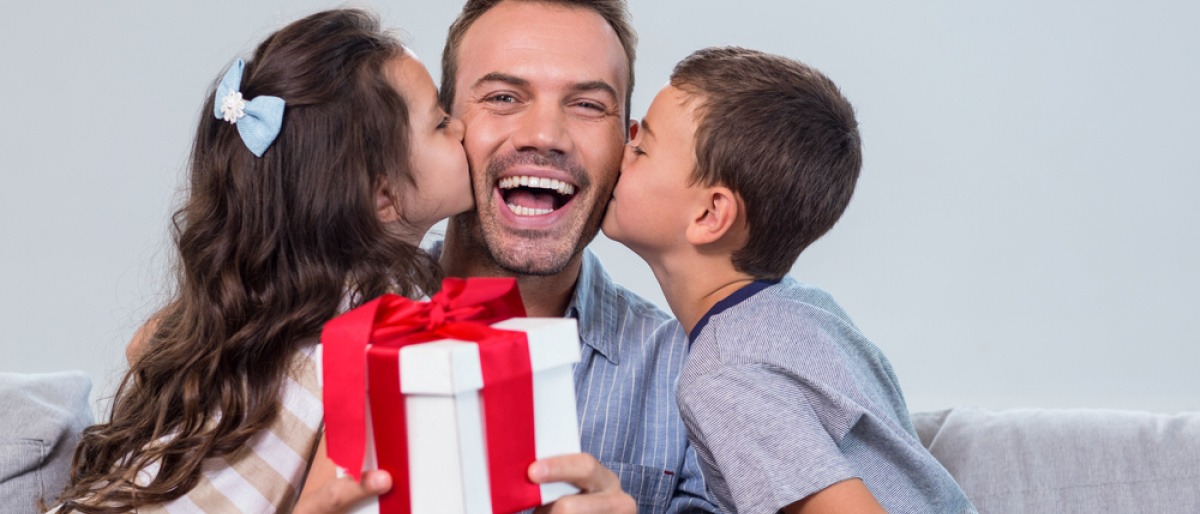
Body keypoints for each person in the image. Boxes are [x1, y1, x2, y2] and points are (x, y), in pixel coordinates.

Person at [54, 9, 471, 512]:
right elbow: (336, 496)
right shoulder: (395, 316)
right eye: (441, 122)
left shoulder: (284, 293)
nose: (463, 127)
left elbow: (143, 345)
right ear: (383, 196)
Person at [602, 46, 977, 513]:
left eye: (641, 146)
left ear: (710, 214)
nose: (620, 150)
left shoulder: (726, 372)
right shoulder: (806, 311)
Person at [434, 0, 717, 511]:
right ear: (441, 125)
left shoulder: (699, 376)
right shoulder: (317, 321)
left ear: (627, 144)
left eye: (587, 105)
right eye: (502, 97)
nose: (545, 136)